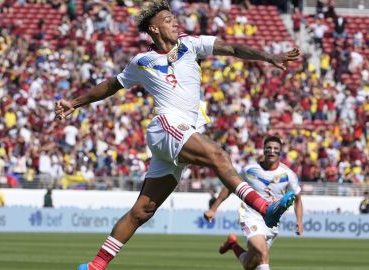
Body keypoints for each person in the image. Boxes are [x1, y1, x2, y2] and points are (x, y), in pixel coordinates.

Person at [54, 2, 301, 270]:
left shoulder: (190, 44)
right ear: (154, 28)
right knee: (218, 155)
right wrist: (75, 103)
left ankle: (95, 266)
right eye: (169, 20)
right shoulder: (142, 61)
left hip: (182, 134)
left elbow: (232, 49)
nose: (175, 23)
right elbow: (111, 85)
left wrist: (268, 57)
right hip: (167, 126)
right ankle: (264, 208)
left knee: (143, 211)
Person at [204, 136, 303, 270]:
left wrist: (299, 221)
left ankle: (232, 244)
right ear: (263, 150)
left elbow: (297, 199)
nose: (272, 151)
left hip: (271, 221)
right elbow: (230, 186)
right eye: (268, 148)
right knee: (263, 253)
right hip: (250, 215)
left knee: (250, 264)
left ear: (280, 152)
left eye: (275, 149)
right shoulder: (249, 170)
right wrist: (214, 209)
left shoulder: (288, 174)